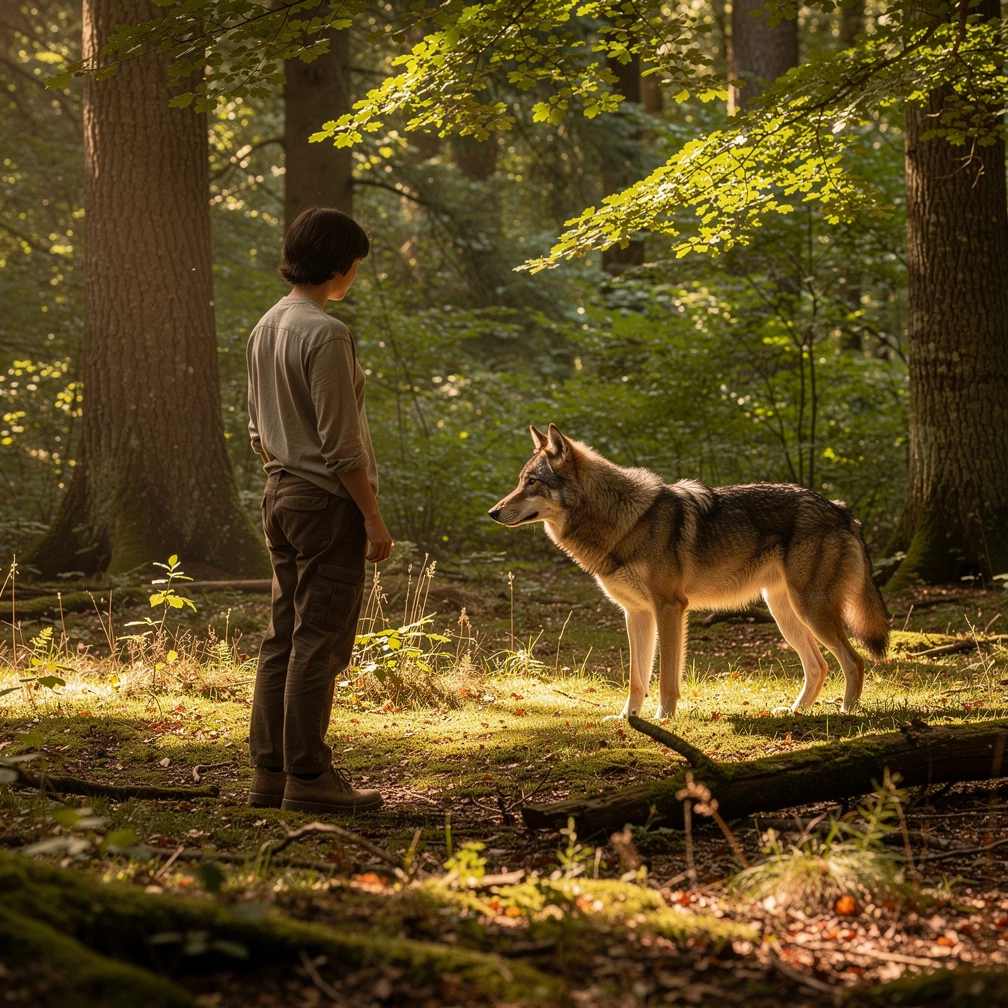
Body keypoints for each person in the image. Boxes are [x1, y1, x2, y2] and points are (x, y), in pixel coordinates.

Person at [245, 206, 393, 814]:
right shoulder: (325, 332)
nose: (354, 273)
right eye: (354, 263)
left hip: (279, 494)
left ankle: (270, 773)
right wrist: (373, 517)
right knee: (319, 640)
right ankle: (309, 778)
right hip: (326, 502)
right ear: (340, 264)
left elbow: (258, 428)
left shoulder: (266, 325)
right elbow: (341, 444)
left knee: (284, 634)